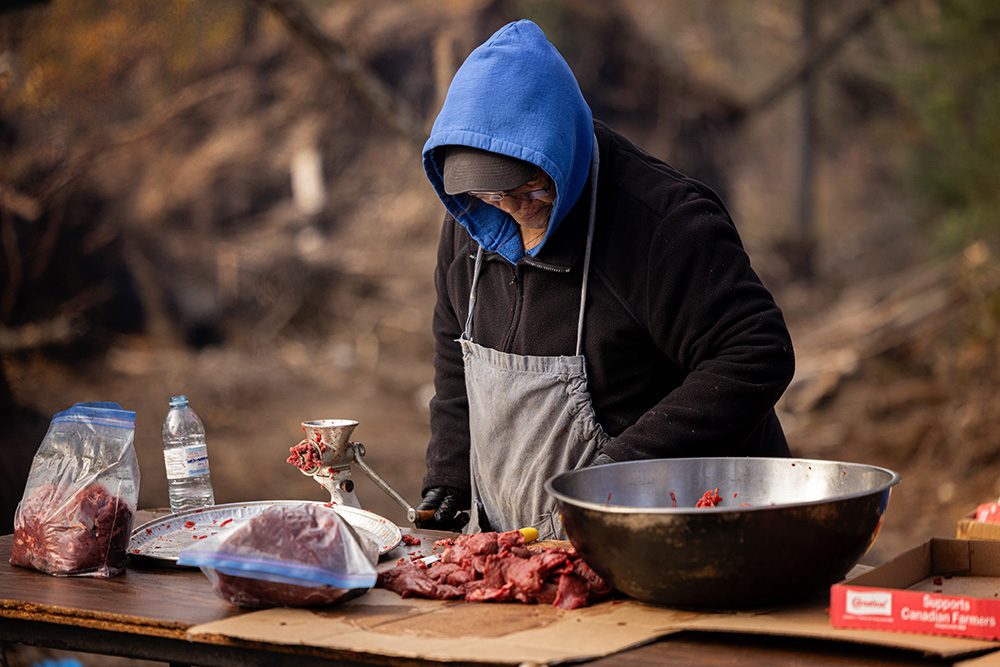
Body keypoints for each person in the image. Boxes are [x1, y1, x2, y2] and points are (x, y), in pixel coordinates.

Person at [415, 20, 794, 538]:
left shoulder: (663, 224)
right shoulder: (473, 217)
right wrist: (449, 482)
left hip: (682, 532)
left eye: (528, 191)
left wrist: (618, 474)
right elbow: (453, 352)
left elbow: (757, 351)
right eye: (491, 196)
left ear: (559, 153)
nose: (512, 211)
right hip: (533, 547)